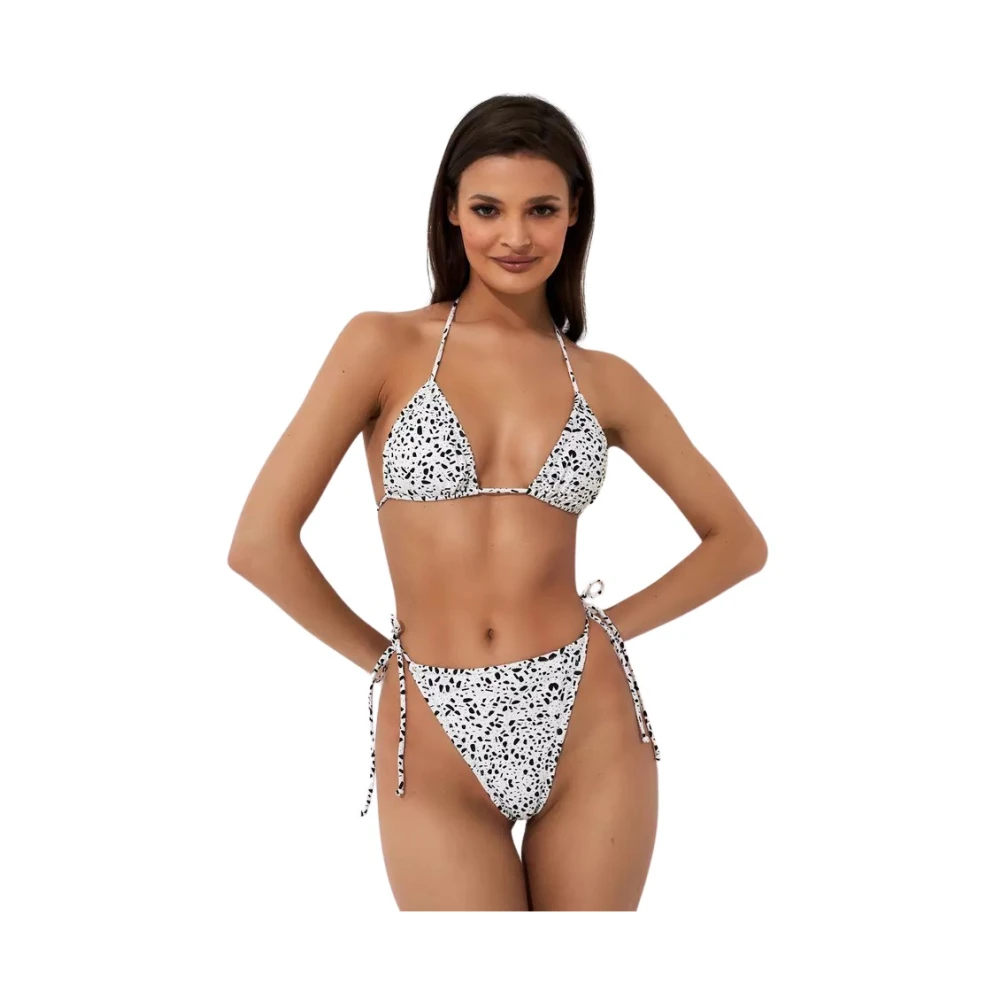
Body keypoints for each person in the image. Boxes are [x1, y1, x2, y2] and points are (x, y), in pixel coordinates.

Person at [228, 94, 767, 911]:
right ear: (451, 210)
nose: (515, 236)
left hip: (587, 721)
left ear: (574, 213)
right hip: (431, 726)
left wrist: (606, 634)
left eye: (541, 209)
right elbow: (260, 543)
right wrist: (386, 665)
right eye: (488, 209)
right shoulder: (383, 345)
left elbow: (737, 542)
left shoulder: (607, 381)